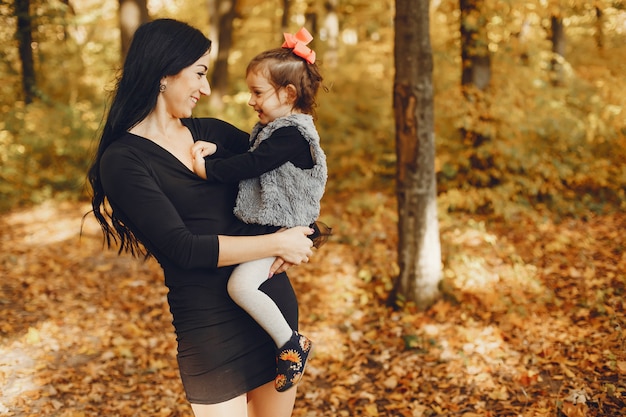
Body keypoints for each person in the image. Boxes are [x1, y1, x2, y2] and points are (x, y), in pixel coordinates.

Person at [87, 18, 315, 417]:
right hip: (209, 331)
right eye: (200, 73)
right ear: (164, 73)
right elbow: (183, 248)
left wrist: (304, 235)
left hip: (270, 313)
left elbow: (291, 174)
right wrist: (278, 243)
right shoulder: (123, 161)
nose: (205, 89)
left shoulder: (209, 131)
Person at [190, 27, 328, 393]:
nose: (251, 101)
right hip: (271, 231)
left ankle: (291, 344)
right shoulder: (275, 130)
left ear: (288, 94)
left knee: (240, 286)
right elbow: (251, 158)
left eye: (257, 93)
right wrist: (216, 149)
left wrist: (209, 169)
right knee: (240, 285)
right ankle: (286, 342)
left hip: (284, 231)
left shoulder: (292, 135)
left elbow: (252, 166)